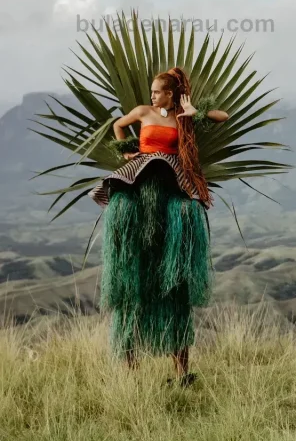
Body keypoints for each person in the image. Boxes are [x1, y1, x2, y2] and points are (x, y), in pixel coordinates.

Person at [90, 66, 228, 385]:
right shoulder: (143, 111)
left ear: (170, 94)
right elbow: (118, 125)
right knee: (132, 284)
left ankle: (181, 373)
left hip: (171, 186)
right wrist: (127, 152)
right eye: (151, 91)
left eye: (157, 92)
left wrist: (192, 112)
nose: (152, 96)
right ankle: (130, 372)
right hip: (139, 179)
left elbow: (222, 116)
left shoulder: (182, 115)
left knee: (174, 288)